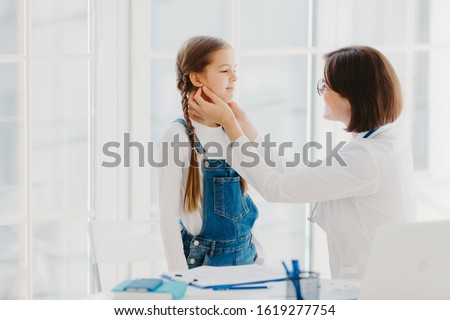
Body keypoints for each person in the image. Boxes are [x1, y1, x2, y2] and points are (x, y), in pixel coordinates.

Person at [188, 45, 417, 279]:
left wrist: (230, 125)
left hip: (374, 287)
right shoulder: (377, 144)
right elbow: (296, 174)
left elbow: (276, 188)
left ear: (351, 95)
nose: (321, 93)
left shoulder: (369, 159)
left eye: (325, 86)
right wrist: (244, 125)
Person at [158, 36, 264, 271]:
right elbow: (167, 216)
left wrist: (259, 253)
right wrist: (180, 278)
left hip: (248, 259)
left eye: (235, 70)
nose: (234, 78)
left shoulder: (233, 128)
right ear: (196, 78)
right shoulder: (178, 135)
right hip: (203, 265)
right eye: (225, 70)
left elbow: (265, 177)